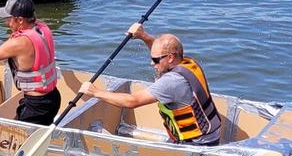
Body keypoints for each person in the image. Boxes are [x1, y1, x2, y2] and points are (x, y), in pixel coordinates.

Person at [78, 26, 222, 145]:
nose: (152, 63)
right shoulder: (188, 63)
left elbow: (132, 101)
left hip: (197, 144)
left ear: (171, 57)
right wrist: (143, 36)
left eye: (155, 60)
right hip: (210, 135)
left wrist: (95, 92)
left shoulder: (170, 82)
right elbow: (161, 53)